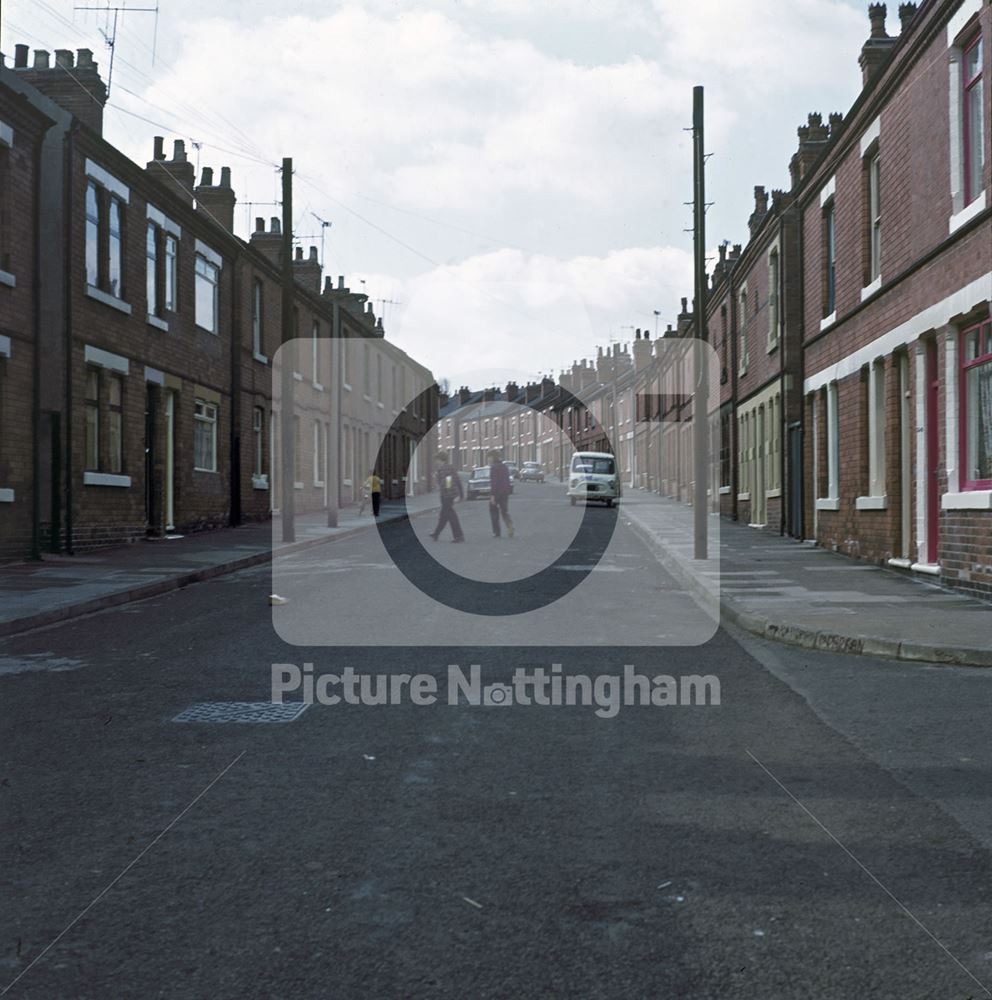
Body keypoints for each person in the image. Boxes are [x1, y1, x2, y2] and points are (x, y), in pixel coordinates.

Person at [430, 451, 465, 542]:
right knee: (444, 515)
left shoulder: (443, 469)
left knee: (451, 516)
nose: (436, 462)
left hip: (446, 495)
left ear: (441, 459)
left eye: (437, 459)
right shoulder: (451, 467)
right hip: (451, 495)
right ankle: (436, 534)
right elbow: (457, 480)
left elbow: (447, 482)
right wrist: (461, 494)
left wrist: (441, 486)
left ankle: (458, 536)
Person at [488, 450, 514, 538]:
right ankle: (509, 524)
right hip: (505, 492)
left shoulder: (493, 467)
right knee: (504, 511)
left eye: (489, 457)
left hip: (496, 493)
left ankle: (496, 532)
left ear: (492, 457)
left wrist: (492, 495)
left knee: (493, 512)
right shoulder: (504, 467)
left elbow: (494, 482)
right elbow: (507, 480)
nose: (489, 459)